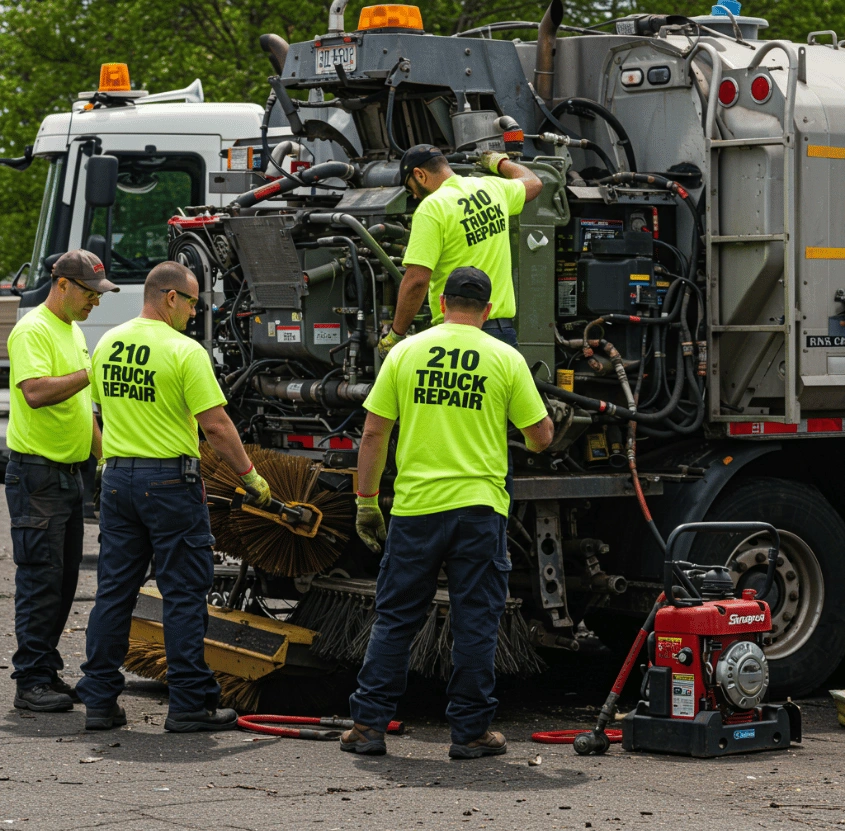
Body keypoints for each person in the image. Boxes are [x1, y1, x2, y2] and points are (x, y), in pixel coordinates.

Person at [342, 267, 553, 758]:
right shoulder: (505, 358)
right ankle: (471, 732)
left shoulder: (405, 353)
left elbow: (373, 433)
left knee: (395, 618)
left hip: (416, 510)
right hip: (479, 510)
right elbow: (541, 437)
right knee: (475, 621)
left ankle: (368, 727)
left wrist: (367, 502)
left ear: (440, 303)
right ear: (488, 309)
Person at [77, 261, 272, 732]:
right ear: (170, 297)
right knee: (183, 594)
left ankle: (99, 701)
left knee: (114, 592)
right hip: (168, 484)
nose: (194, 311)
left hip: (117, 481)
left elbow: (101, 411)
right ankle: (188, 705)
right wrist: (250, 476)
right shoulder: (184, 351)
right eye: (191, 302)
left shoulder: (108, 343)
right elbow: (216, 426)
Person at [6, 250, 118, 712]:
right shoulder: (32, 329)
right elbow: (34, 392)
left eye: (100, 294)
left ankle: (46, 670)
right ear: (63, 284)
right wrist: (91, 372)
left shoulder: (72, 330)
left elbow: (82, 408)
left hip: (69, 475)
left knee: (64, 579)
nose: (96, 302)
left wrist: (106, 460)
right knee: (40, 580)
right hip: (38, 475)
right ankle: (30, 681)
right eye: (90, 293)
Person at [377, 144, 543, 357]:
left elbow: (417, 280)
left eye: (411, 189)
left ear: (419, 174)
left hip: (456, 337)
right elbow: (534, 183)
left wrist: (396, 334)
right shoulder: (492, 188)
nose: (415, 196)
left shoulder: (432, 208)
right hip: (500, 332)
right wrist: (499, 162)